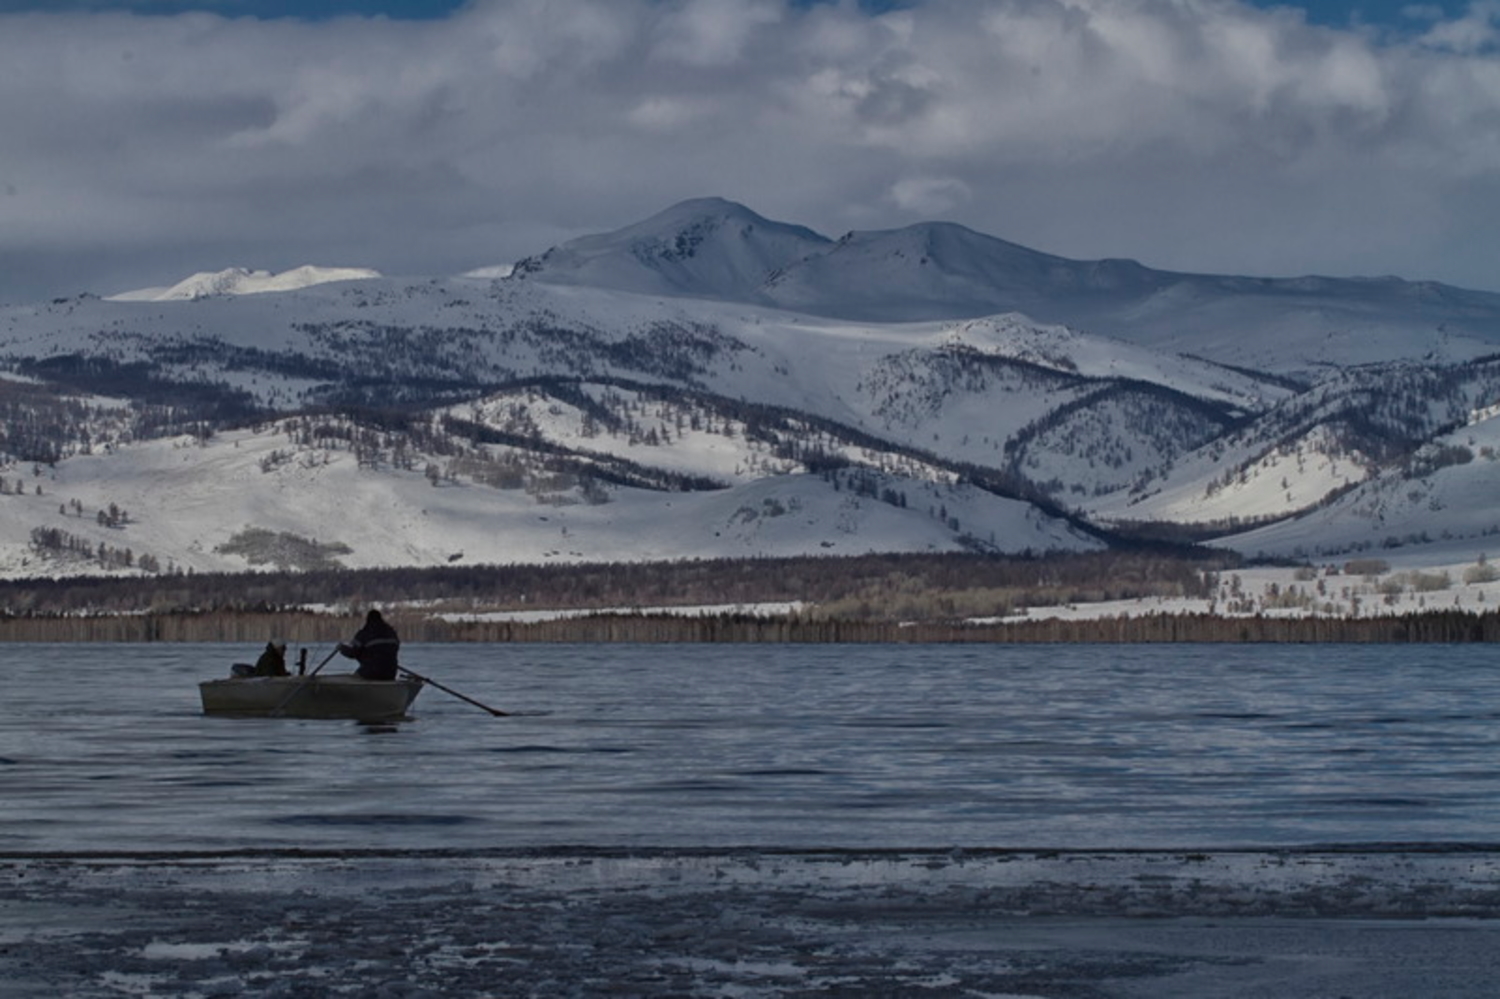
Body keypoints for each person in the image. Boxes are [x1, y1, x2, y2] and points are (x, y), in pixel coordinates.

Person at [338, 609, 401, 681]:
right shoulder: (392, 633)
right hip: (391, 672)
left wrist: (341, 648)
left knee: (355, 678)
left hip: (370, 672)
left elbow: (353, 653)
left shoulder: (364, 633)